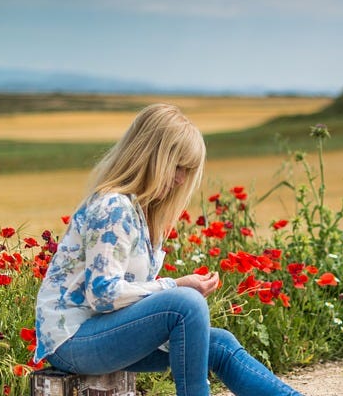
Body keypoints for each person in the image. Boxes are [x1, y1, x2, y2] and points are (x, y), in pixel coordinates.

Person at [34, 103, 302, 396]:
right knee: (185, 303)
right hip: (74, 341)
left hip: (101, 332)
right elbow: (103, 295)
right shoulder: (113, 207)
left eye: (187, 170)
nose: (181, 179)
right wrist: (174, 285)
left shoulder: (141, 213)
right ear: (150, 157)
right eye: (177, 167)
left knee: (219, 345)